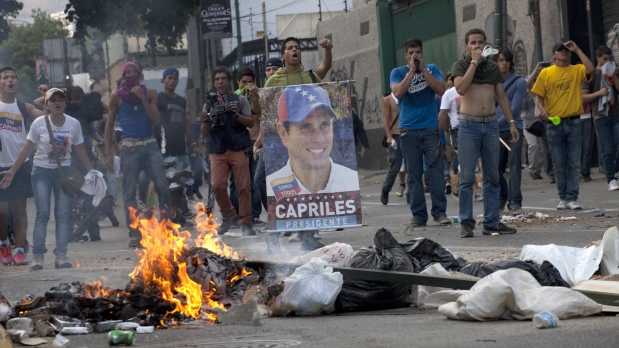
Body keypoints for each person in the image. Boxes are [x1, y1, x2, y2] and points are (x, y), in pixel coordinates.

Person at [0, 88, 93, 270]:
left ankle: (61, 256)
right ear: (47, 104)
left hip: (64, 173)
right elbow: (26, 148)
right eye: (53, 100)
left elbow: (80, 149)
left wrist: (92, 172)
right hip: (41, 171)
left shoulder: (74, 124)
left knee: (63, 214)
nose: (57, 103)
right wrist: (12, 171)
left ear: (65, 103)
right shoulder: (39, 123)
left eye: (61, 99)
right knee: (43, 214)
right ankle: (38, 257)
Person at [263, 36, 334, 250]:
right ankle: (276, 228)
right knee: (265, 183)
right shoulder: (274, 80)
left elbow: (326, 66)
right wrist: (262, 139)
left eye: (297, 48)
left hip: (306, 141)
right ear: (284, 54)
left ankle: (308, 234)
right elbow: (266, 109)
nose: (294, 50)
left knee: (307, 186)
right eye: (290, 48)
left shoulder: (309, 75)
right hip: (280, 139)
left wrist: (328, 50)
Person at [452, 28, 519, 238]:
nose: (476, 46)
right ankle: (466, 223)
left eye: (480, 42)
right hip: (468, 126)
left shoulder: (492, 68)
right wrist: (473, 63)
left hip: (490, 125)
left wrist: (511, 122)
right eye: (472, 43)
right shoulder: (461, 65)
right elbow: (461, 88)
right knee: (467, 178)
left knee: (493, 176)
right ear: (467, 45)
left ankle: (492, 222)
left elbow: (501, 96)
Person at [104, 61, 170, 247]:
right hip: (128, 147)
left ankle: (166, 226)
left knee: (162, 185)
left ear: (140, 75)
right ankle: (134, 233)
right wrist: (109, 152)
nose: (130, 75)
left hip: (150, 145)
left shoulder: (149, 93)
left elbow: (156, 120)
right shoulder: (116, 97)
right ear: (123, 76)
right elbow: (109, 125)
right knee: (129, 191)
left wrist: (142, 99)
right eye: (127, 73)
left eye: (133, 72)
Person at [390, 39, 450, 228]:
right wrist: (411, 72)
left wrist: (423, 71)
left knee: (436, 173)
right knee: (414, 174)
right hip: (408, 130)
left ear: (422, 53)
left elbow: (442, 90)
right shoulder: (397, 72)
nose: (414, 56)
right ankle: (418, 215)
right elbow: (397, 94)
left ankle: (440, 213)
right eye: (410, 53)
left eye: (417, 52)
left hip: (430, 128)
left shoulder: (431, 69)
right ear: (405, 56)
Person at [531, 41, 594, 210]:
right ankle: (562, 197)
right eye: (561, 51)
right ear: (554, 55)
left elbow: (590, 69)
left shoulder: (576, 70)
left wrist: (578, 48)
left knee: (574, 161)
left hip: (574, 120)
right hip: (554, 122)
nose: (564, 53)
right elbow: (538, 94)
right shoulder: (546, 73)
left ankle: (572, 197)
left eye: (566, 51)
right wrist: (540, 108)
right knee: (559, 161)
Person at [267, 84, 359, 195]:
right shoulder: (273, 188)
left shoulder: (350, 182)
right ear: (283, 133)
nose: (319, 139)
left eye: (324, 124)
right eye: (306, 127)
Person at [201, 66, 256, 236]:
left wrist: (236, 115)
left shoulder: (239, 100)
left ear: (229, 81)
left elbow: (251, 122)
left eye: (223, 78)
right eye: (217, 79)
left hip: (238, 146)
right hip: (217, 149)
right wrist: (206, 120)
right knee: (217, 185)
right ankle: (228, 216)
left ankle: (246, 221)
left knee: (244, 187)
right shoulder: (209, 103)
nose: (220, 82)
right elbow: (204, 131)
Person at [0, 66, 44, 265]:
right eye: (5, 77)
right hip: (0, 167)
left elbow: (46, 118)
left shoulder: (23, 107)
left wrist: (46, 97)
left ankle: (19, 250)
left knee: (19, 210)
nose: (10, 80)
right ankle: (3, 246)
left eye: (13, 77)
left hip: (19, 165)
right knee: (1, 211)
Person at [582, 46, 619, 191]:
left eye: (609, 59)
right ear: (598, 58)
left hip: (616, 113)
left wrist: (613, 76)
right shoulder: (592, 74)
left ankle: (614, 172)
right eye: (604, 59)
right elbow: (583, 97)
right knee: (608, 148)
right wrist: (599, 93)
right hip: (600, 116)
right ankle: (611, 178)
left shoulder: (615, 72)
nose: (607, 62)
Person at [157, 67, 192, 221]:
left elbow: (186, 121)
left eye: (175, 78)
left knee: (181, 182)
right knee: (169, 184)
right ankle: (169, 216)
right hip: (166, 147)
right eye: (169, 78)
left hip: (180, 147)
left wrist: (192, 141)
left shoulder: (181, 100)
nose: (172, 81)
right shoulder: (159, 99)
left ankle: (179, 213)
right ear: (163, 80)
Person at [495, 48, 527, 213]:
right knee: (496, 167)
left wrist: (496, 122)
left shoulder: (519, 82)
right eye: (500, 60)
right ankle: (502, 196)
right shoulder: (492, 82)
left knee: (514, 165)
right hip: (496, 131)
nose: (504, 63)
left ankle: (515, 201)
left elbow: (514, 108)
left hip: (514, 128)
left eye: (506, 60)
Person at [230, 68, 262, 223]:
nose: (247, 85)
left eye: (250, 82)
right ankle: (236, 213)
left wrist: (254, 96)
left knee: (253, 180)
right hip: (237, 143)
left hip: (254, 141)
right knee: (237, 180)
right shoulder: (234, 98)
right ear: (238, 83)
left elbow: (259, 114)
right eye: (244, 82)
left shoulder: (258, 94)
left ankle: (254, 214)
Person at [523, 62, 549, 181]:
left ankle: (540, 170)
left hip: (542, 121)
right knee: (533, 145)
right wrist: (536, 70)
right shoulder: (529, 89)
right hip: (528, 122)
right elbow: (526, 84)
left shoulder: (543, 87)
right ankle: (533, 170)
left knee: (542, 147)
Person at [380, 93, 405, 205]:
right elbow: (385, 120)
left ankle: (411, 193)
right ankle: (386, 189)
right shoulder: (387, 100)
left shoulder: (406, 96)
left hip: (408, 134)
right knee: (395, 165)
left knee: (412, 165)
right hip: (395, 135)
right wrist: (389, 137)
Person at [439, 74, 461, 194]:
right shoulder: (449, 94)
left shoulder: (470, 88)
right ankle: (455, 186)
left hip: (472, 126)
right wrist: (447, 130)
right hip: (456, 130)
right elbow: (443, 115)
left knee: (470, 159)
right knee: (457, 157)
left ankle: (473, 187)